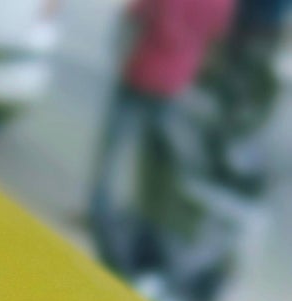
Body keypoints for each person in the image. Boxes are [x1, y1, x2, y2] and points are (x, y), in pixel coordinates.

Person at [87, 0, 237, 282]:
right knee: (158, 163)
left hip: (141, 68)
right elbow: (215, 40)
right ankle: (145, 227)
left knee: (114, 148)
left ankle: (102, 213)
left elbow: (137, 14)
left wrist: (124, 47)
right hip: (175, 80)